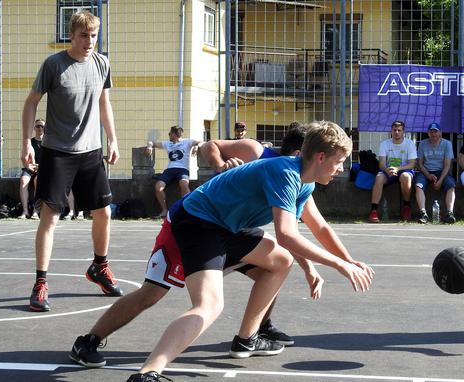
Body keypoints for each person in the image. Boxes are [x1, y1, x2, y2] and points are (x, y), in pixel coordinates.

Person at [127, 121, 375, 382]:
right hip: (200, 220)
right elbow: (286, 235)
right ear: (321, 157)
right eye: (340, 161)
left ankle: (247, 339)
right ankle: (147, 373)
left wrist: (348, 261)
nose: (342, 169)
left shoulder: (305, 182)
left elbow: (316, 229)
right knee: (208, 306)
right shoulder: (285, 173)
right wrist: (338, 265)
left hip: (229, 225)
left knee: (280, 260)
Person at [69, 126, 315, 368]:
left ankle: (251, 335)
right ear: (302, 153)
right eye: (330, 157)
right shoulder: (258, 153)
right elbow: (210, 146)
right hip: (196, 223)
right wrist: (221, 165)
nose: (336, 168)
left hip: (230, 229)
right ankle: (89, 341)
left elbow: (299, 230)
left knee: (277, 264)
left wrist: (313, 267)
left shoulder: (302, 178)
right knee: (153, 292)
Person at [21, 10, 122, 312]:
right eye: (84, 35)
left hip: (90, 152)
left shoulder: (101, 63)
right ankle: (40, 283)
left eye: (93, 35)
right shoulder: (54, 65)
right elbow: (31, 103)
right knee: (50, 218)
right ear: (72, 35)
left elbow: (104, 102)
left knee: (103, 212)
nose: (89, 41)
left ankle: (99, 268)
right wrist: (27, 142)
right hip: (57, 152)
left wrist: (112, 139)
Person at [145, 125, 201, 218]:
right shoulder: (168, 144)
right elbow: (152, 142)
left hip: (183, 169)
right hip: (170, 170)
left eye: (169, 134)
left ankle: (186, 209)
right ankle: (164, 210)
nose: (169, 135)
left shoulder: (187, 142)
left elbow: (200, 141)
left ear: (174, 134)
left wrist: (196, 146)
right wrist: (150, 146)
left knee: (184, 184)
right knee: (158, 187)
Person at [368, 120, 417, 223]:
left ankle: (406, 207)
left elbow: (412, 164)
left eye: (399, 130)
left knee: (405, 177)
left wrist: (398, 169)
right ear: (391, 131)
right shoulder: (385, 144)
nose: (397, 132)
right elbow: (381, 163)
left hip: (404, 170)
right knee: (379, 177)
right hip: (388, 170)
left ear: (403, 131)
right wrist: (387, 169)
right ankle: (373, 211)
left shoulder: (410, 144)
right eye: (394, 130)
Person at [414, 122, 456, 224]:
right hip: (425, 171)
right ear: (428, 133)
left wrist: (440, 180)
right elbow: (419, 164)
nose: (433, 134)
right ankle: (423, 213)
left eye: (435, 132)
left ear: (440, 133)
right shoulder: (423, 144)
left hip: (442, 172)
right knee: (418, 186)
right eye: (431, 132)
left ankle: (450, 213)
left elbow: (447, 165)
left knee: (451, 186)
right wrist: (428, 175)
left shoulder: (447, 144)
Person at [18, 120, 44, 219]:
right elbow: (23, 157)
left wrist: (40, 166)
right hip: (29, 167)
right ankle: (25, 211)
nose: (40, 128)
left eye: (42, 126)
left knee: (37, 180)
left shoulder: (48, 143)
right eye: (38, 126)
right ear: (34, 128)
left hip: (43, 168)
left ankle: (36, 211)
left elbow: (51, 160)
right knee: (23, 180)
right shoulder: (30, 143)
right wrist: (28, 165)